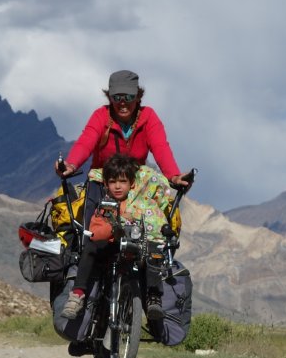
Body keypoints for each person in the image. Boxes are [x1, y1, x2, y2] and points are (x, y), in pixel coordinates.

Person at [60, 153, 174, 321]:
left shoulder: (144, 205)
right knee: (90, 247)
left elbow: (156, 226)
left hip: (137, 249)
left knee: (154, 251)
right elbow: (95, 231)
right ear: (106, 184)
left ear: (132, 183)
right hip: (112, 248)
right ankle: (77, 294)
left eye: (122, 181)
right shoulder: (105, 205)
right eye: (113, 182)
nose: (118, 186)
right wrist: (113, 228)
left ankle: (153, 297)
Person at [56, 69, 189, 194]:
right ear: (110, 98)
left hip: (136, 184)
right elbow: (85, 143)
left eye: (129, 97)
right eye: (117, 97)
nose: (123, 103)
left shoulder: (148, 117)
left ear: (138, 97)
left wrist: (174, 176)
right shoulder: (100, 116)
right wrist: (71, 165)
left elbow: (161, 147)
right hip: (103, 183)